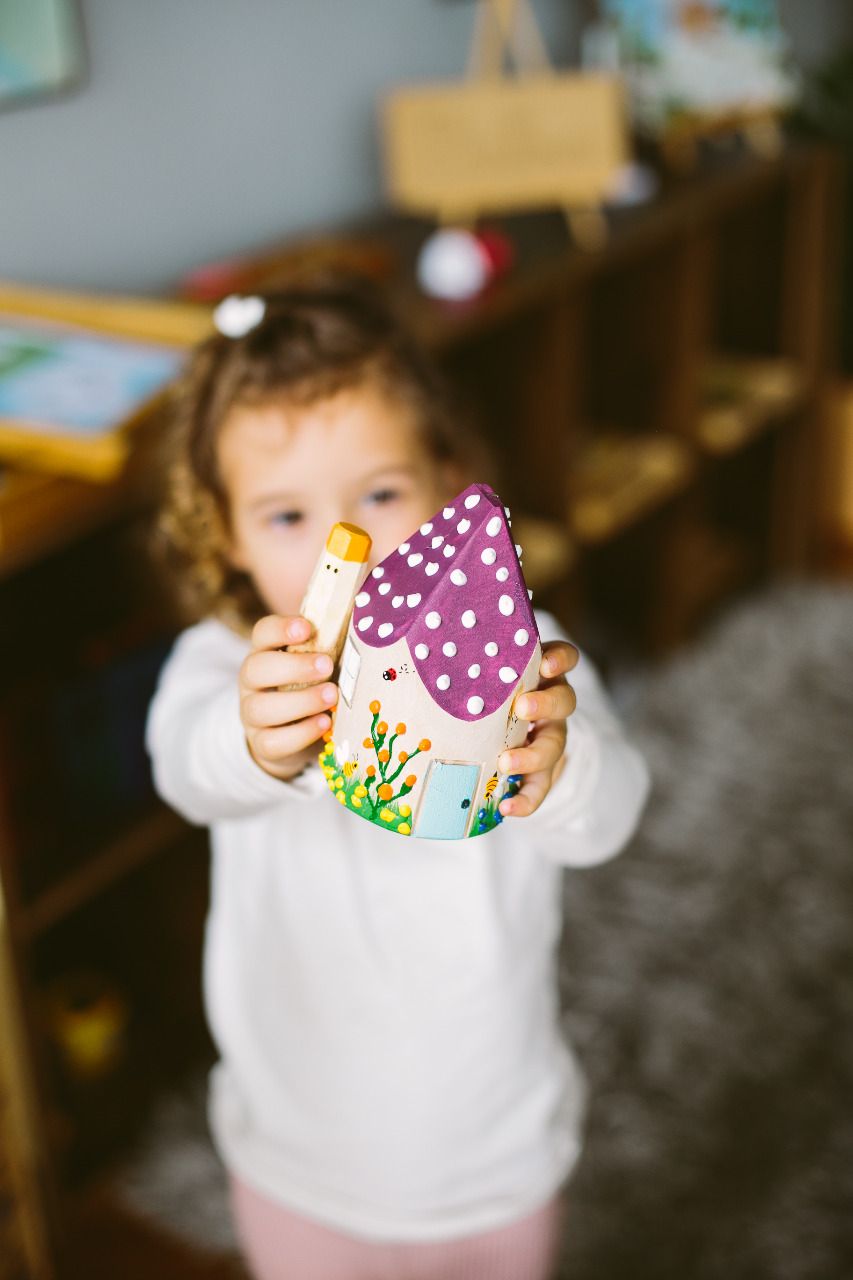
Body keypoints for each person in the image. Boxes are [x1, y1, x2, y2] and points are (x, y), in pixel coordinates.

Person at [146, 280, 649, 1280]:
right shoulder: (225, 666)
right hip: (300, 1156)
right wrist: (255, 742)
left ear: (451, 484)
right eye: (288, 513)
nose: (352, 543)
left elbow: (613, 817)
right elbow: (184, 771)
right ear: (226, 534)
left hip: (494, 1145)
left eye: (381, 493)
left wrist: (558, 767)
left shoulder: (521, 655)